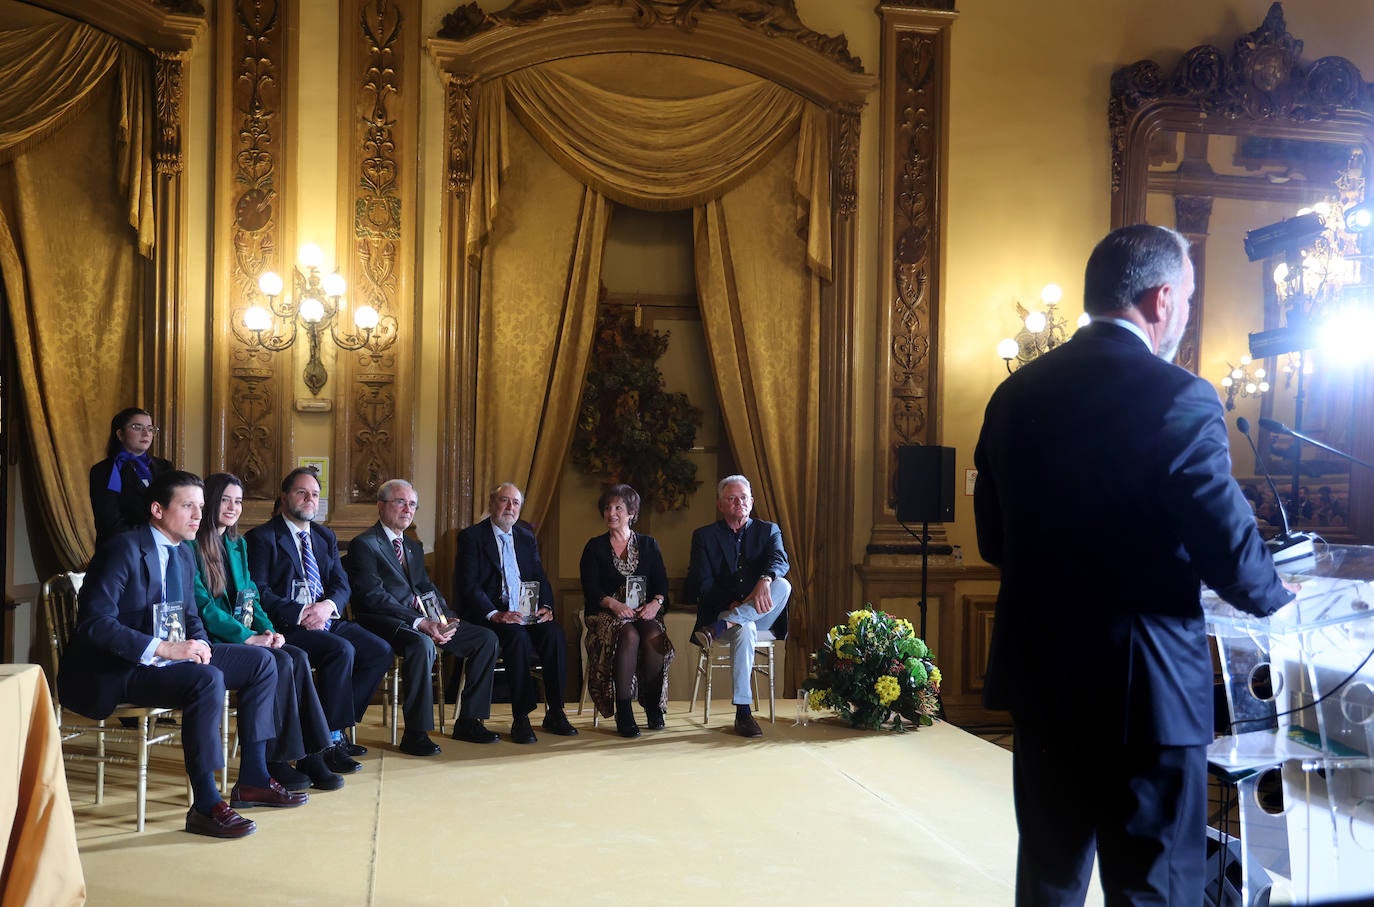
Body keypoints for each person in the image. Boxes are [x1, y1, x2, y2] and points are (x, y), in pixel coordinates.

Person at [973, 224, 1296, 906]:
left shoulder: (1013, 397)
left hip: (1043, 678)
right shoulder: (1180, 395)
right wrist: (1279, 597)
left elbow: (994, 540)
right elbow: (1226, 544)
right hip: (1144, 695)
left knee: (1049, 883)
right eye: (1187, 298)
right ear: (1161, 299)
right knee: (1153, 888)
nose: (1183, 314)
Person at [57, 470, 306, 839]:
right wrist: (165, 648)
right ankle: (206, 804)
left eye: (201, 507)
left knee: (261, 662)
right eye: (188, 506)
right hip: (121, 666)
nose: (198, 515)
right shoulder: (123, 548)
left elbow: (190, 616)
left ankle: (253, 778)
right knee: (208, 679)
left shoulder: (182, 555)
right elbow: (94, 623)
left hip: (168, 658)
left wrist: (201, 645)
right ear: (157, 509)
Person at [189, 472, 342, 792]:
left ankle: (311, 753)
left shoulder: (236, 544)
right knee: (282, 662)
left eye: (239, 501)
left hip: (244, 633)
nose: (232, 507)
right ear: (210, 502)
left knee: (296, 655)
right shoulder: (191, 545)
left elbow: (251, 597)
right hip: (214, 639)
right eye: (225, 499)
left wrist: (270, 631)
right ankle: (275, 759)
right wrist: (247, 637)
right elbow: (203, 606)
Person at [245, 466, 392, 774]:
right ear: (284, 497)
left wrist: (327, 605)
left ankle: (329, 729)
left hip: (326, 618)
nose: (310, 499)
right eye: (302, 492)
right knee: (340, 650)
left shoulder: (324, 536)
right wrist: (299, 612)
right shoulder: (262, 537)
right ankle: (329, 742)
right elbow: (258, 591)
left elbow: (342, 584)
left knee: (379, 650)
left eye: (315, 494)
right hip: (287, 627)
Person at [344, 479, 502, 753]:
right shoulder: (365, 544)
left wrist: (444, 618)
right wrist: (421, 622)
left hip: (426, 620)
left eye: (413, 504)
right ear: (381, 506)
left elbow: (426, 589)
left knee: (485, 638)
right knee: (422, 643)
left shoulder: (413, 547)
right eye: (401, 502)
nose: (408, 509)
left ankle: (469, 720)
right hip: (383, 622)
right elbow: (373, 597)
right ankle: (416, 733)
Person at [454, 483, 576, 744]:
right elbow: (470, 586)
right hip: (491, 616)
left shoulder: (525, 536)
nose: (510, 507)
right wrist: (494, 613)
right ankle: (521, 716)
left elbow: (539, 576)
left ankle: (555, 711)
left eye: (516, 503)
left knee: (554, 634)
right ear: (492, 503)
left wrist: (547, 607)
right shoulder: (472, 537)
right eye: (504, 501)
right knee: (516, 637)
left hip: (524, 613)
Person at [684, 475, 791, 739]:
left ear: (752, 502)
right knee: (746, 628)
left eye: (743, 498)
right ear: (720, 505)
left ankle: (723, 626)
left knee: (784, 586)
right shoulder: (704, 536)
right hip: (721, 609)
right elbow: (701, 582)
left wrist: (765, 580)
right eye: (732, 499)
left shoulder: (768, 530)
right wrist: (729, 603)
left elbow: (780, 559)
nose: (738, 503)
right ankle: (743, 711)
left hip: (760, 609)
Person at [578, 484, 674, 738]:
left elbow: (662, 585)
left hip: (644, 611)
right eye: (607, 508)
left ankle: (653, 705)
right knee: (629, 635)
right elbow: (591, 589)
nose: (612, 512)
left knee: (653, 634)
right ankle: (624, 709)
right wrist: (615, 605)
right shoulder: (594, 547)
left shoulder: (649, 545)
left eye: (618, 507)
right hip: (605, 614)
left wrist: (655, 604)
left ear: (631, 512)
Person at [89, 407, 173, 549]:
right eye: (137, 427)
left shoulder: (165, 467)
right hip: (121, 549)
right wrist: (150, 536)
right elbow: (109, 521)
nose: (146, 433)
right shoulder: (103, 470)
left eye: (150, 428)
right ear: (120, 434)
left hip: (162, 546)